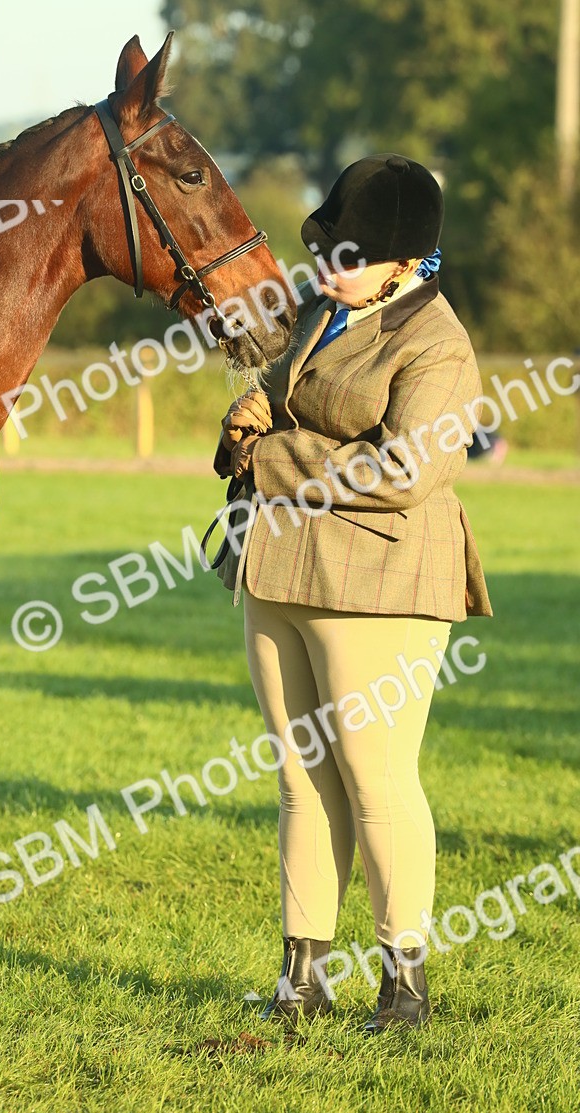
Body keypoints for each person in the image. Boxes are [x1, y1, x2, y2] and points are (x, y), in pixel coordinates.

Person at [211, 154, 493, 1034]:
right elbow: (280, 392)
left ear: (409, 263)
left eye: (354, 254)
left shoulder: (438, 345)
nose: (331, 266)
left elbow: (406, 469)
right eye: (329, 246)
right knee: (301, 780)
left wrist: (274, 455)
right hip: (282, 571)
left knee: (376, 782)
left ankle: (403, 987)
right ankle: (302, 978)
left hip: (384, 581)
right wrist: (248, 413)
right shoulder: (323, 313)